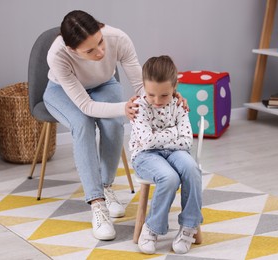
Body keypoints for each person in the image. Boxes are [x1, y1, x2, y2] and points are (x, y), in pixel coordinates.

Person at [43, 10, 186, 241]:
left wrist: (170, 97)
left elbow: (141, 86)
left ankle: (106, 186)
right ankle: (97, 202)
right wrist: (124, 108)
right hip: (61, 91)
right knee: (82, 124)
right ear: (72, 50)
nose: (100, 52)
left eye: (100, 42)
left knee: (113, 123)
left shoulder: (118, 38)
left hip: (103, 84)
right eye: (89, 50)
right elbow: (86, 107)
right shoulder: (58, 55)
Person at [129, 55, 203, 254]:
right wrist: (173, 132)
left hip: (176, 152)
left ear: (174, 87)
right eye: (151, 94)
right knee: (169, 177)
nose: (157, 101)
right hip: (145, 155)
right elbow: (148, 141)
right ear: (144, 86)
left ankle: (189, 226)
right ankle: (151, 228)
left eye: (164, 95)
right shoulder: (138, 107)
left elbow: (187, 141)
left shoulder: (179, 104)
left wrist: (159, 136)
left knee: (192, 170)